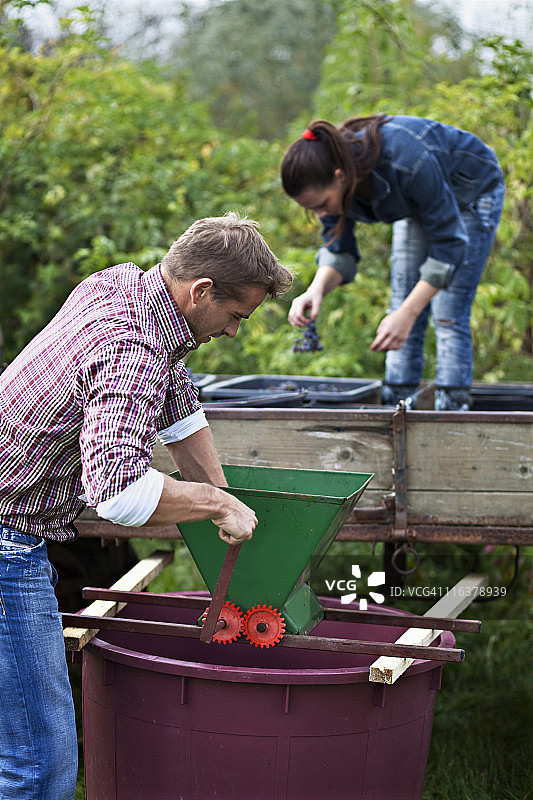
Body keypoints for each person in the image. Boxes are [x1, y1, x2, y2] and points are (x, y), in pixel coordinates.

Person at [0, 211, 293, 800]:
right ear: (202, 291)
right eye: (236, 316)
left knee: (23, 748)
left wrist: (228, 497)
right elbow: (120, 493)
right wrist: (212, 503)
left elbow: (177, 402)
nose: (235, 331)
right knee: (40, 764)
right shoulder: (128, 346)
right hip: (7, 545)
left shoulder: (127, 286)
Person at [281, 114, 505, 410]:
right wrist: (316, 289)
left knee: (447, 312)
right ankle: (396, 410)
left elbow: (449, 244)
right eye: (312, 209)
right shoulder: (332, 184)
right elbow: (339, 250)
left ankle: (453, 416)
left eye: (322, 205)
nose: (322, 214)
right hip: (419, 203)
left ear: (340, 176)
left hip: (472, 191)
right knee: (400, 307)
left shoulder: (407, 160)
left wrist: (409, 313)